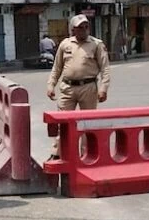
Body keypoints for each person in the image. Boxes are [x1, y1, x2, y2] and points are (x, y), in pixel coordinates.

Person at [46, 14, 111, 158]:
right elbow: (57, 68)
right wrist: (51, 85)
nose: (84, 29)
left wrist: (103, 89)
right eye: (80, 27)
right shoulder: (65, 44)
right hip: (67, 88)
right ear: (73, 29)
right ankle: (58, 154)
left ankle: (86, 155)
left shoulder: (96, 44)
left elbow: (105, 68)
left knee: (87, 124)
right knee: (62, 122)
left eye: (86, 27)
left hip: (88, 87)